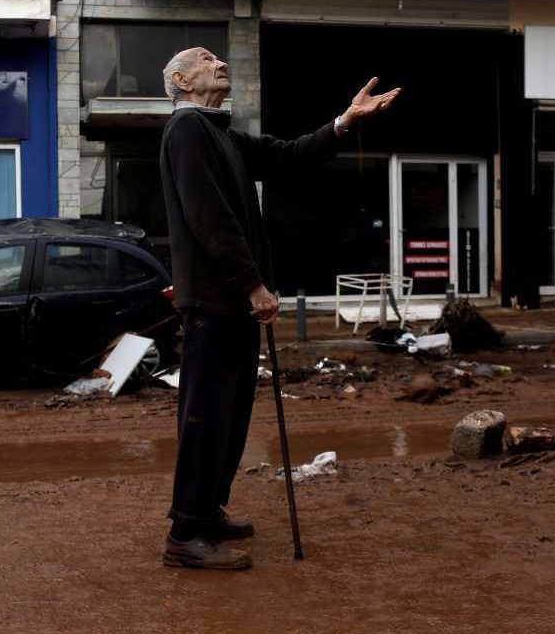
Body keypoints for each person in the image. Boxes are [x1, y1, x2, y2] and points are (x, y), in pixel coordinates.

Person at [158, 46, 399, 570]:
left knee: (230, 413)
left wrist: (344, 122)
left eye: (218, 56)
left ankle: (206, 514)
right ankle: (185, 533)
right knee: (205, 416)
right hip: (217, 299)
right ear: (181, 80)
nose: (219, 61)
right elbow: (209, 218)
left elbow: (287, 156)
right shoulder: (187, 132)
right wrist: (252, 285)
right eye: (204, 59)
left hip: (232, 303)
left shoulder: (217, 132)